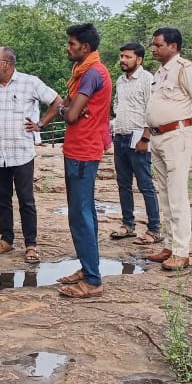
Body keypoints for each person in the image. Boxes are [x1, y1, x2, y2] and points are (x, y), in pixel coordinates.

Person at [0, 46, 62, 265]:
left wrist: (41, 124)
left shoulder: (30, 82)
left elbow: (57, 101)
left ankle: (31, 245)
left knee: (26, 200)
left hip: (22, 152)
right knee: (2, 199)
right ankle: (6, 239)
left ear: (7, 63)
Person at [144, 27, 192, 271]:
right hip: (158, 137)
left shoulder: (186, 69)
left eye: (158, 45)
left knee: (177, 195)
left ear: (173, 46)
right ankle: (169, 245)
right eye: (153, 44)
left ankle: (182, 251)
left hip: (177, 135)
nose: (154, 48)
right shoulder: (160, 72)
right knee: (163, 193)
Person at [55, 23, 113, 299]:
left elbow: (70, 114)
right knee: (84, 213)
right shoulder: (86, 72)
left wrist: (66, 109)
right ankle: (87, 267)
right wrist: (70, 108)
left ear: (85, 48)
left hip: (82, 151)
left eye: (71, 44)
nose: (68, 48)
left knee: (81, 216)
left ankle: (92, 280)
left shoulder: (91, 74)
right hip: (80, 149)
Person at [108, 42, 162, 245]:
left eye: (127, 57)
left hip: (139, 137)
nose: (123, 60)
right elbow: (116, 105)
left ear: (139, 59)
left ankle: (154, 229)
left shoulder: (147, 79)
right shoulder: (121, 81)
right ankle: (128, 225)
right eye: (121, 56)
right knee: (123, 184)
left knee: (145, 184)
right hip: (120, 137)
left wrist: (146, 137)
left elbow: (153, 110)